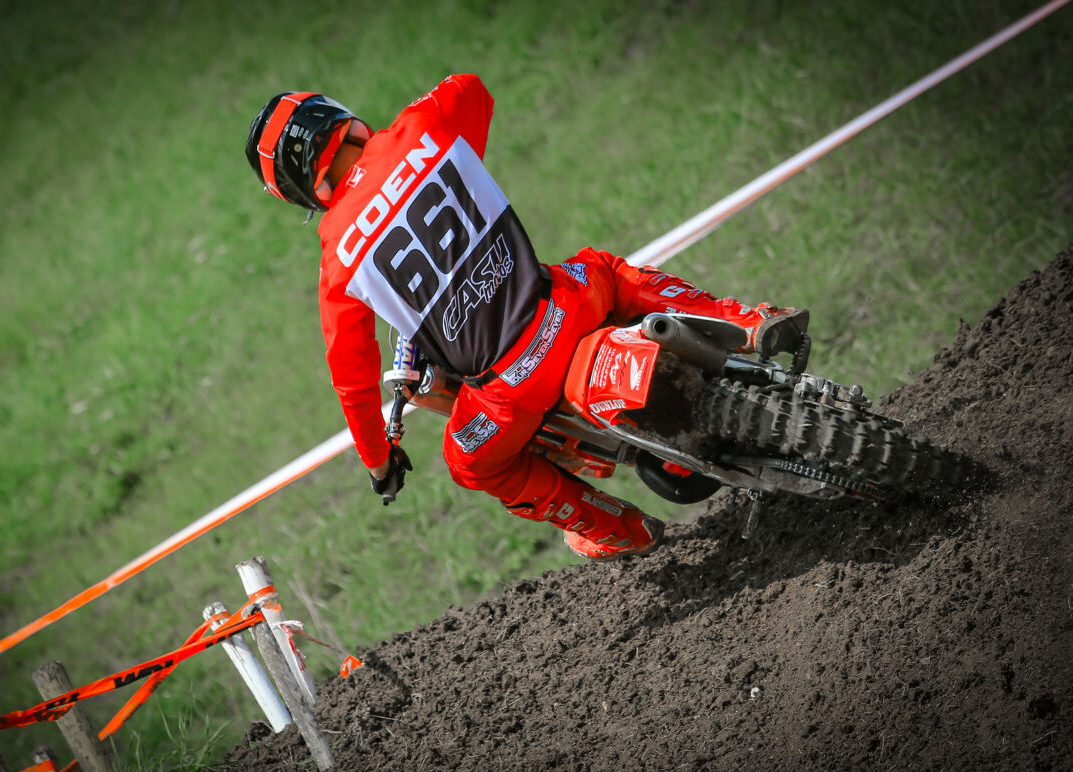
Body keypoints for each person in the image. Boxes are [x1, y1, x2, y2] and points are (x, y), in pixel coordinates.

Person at [244, 75, 808, 562]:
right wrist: (443, 156)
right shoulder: (421, 128)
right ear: (341, 120)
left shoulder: (336, 260)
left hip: (510, 392)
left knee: (469, 464)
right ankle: (748, 321)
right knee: (607, 270)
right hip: (568, 307)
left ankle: (618, 529)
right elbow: (470, 88)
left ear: (298, 191)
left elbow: (352, 381)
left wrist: (378, 462)